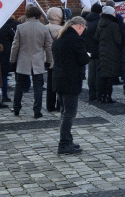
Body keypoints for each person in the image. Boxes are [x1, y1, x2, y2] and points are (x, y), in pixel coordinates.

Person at [52, 17, 90, 155]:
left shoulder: (59, 38)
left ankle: (67, 139)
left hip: (59, 78)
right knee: (69, 113)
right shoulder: (76, 40)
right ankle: (64, 144)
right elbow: (83, 59)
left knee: (64, 111)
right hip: (70, 79)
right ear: (80, 26)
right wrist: (88, 55)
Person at [11, 6, 53, 118]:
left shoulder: (20, 27)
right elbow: (48, 47)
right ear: (38, 15)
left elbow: (15, 46)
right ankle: (37, 110)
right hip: (38, 60)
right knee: (38, 87)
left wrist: (13, 59)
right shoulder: (44, 28)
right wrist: (48, 60)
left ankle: (16, 108)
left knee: (19, 85)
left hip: (23, 60)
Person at [95, 6, 122, 104]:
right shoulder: (113, 25)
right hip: (112, 52)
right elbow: (118, 40)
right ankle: (108, 96)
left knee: (103, 75)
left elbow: (96, 37)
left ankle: (101, 95)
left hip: (102, 51)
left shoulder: (100, 23)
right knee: (110, 75)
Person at [45, 7, 65, 112]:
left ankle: (50, 105)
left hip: (48, 59)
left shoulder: (45, 28)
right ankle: (60, 105)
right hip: (59, 60)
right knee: (60, 84)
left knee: (50, 85)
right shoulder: (62, 29)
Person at [0, 16, 18, 102]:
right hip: (4, 52)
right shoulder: (6, 27)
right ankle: (4, 94)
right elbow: (13, 37)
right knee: (4, 74)